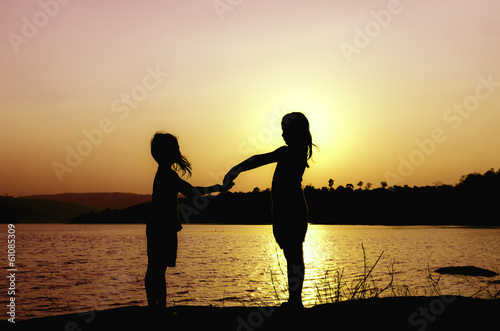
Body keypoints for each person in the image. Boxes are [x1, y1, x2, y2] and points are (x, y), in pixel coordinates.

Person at [223, 112, 315, 309]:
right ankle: (295, 300)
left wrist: (235, 170)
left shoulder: (291, 152)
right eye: (281, 130)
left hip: (292, 211)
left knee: (294, 255)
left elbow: (258, 159)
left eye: (285, 130)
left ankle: (295, 302)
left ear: (295, 131)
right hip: (285, 210)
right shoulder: (295, 151)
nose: (282, 135)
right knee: (292, 254)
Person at [146, 132, 232, 312]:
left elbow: (190, 190)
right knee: (157, 269)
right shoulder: (167, 175)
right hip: (163, 227)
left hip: (158, 225)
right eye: (175, 147)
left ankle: (155, 309)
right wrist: (219, 188)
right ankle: (159, 310)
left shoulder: (165, 173)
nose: (178, 150)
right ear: (166, 152)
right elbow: (192, 191)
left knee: (155, 268)